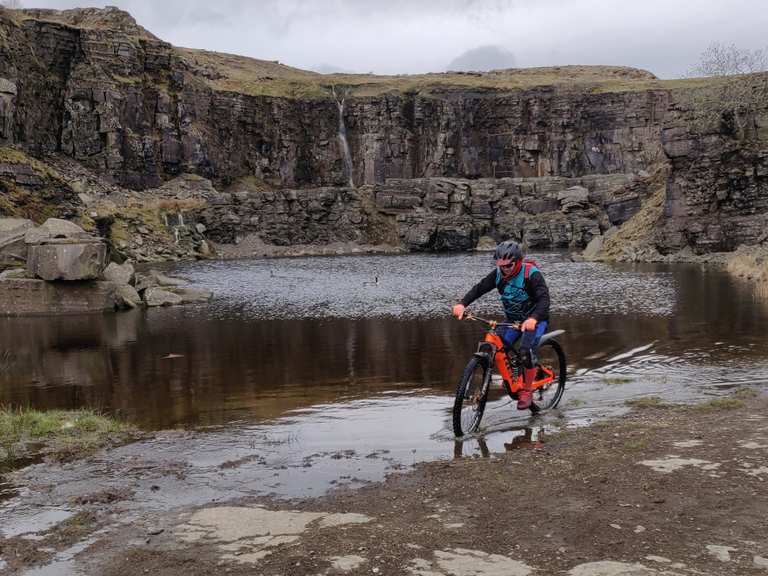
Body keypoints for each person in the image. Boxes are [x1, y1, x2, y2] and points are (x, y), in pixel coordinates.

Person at [451, 240, 550, 410]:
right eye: (501, 265)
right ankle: (512, 375)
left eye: (508, 266)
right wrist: (462, 304)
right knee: (495, 344)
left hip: (535, 321)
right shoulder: (498, 274)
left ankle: (527, 390)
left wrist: (533, 318)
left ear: (518, 261)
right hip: (512, 321)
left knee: (525, 351)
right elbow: (479, 288)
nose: (504, 269)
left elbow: (544, 299)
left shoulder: (531, 274)